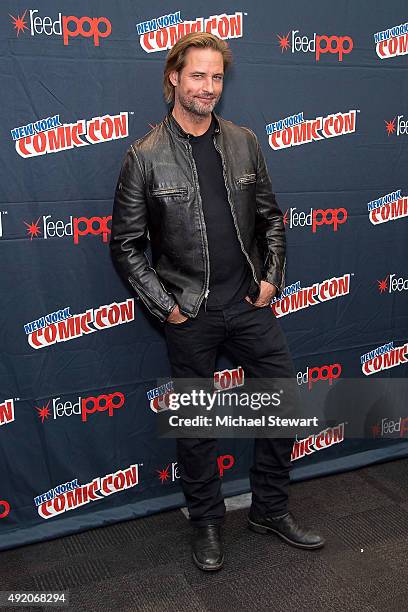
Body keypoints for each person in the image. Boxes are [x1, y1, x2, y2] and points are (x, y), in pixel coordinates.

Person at [110, 32, 324, 572]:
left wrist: (271, 278)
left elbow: (271, 218)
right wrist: (169, 307)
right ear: (173, 80)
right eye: (197, 76)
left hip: (250, 304)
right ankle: (205, 520)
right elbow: (127, 245)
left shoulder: (244, 141)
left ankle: (269, 510)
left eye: (216, 77)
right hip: (190, 312)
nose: (207, 87)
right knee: (198, 426)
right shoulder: (145, 156)